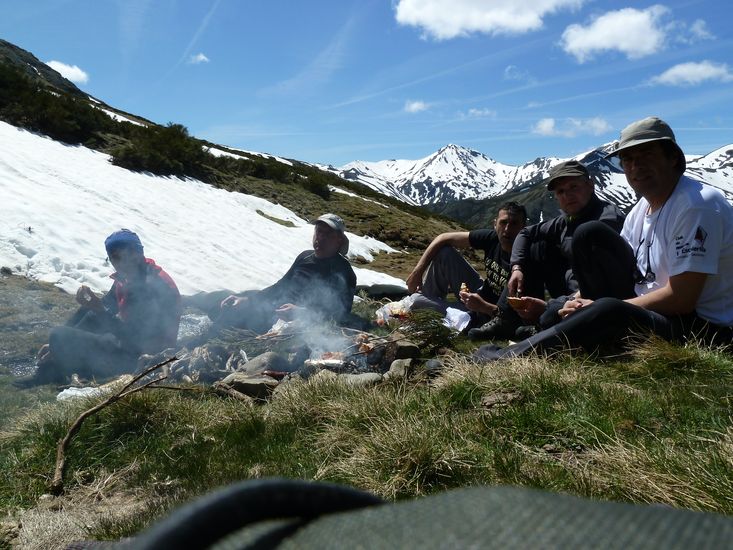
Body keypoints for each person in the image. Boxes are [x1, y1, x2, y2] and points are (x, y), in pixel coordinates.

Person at [475, 116, 733, 361]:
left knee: (609, 309)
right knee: (587, 240)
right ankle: (555, 329)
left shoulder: (696, 205)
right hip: (652, 309)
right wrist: (574, 301)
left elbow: (682, 299)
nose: (636, 166)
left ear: (673, 158)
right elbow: (620, 270)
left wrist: (602, 306)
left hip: (700, 328)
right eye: (628, 159)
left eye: (646, 155)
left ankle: (502, 359)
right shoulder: (642, 210)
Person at [467, 160, 626, 340]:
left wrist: (555, 304)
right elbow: (526, 233)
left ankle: (546, 322)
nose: (567, 195)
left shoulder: (606, 221)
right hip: (568, 291)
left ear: (590, 185)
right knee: (537, 245)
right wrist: (517, 268)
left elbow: (602, 279)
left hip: (591, 297)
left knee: (548, 316)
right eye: (561, 191)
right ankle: (507, 319)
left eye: (574, 187)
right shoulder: (566, 220)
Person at [18, 229, 181, 387]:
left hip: (142, 359)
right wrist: (93, 306)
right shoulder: (129, 276)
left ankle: (55, 369)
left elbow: (136, 339)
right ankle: (56, 354)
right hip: (129, 345)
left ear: (138, 253)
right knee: (86, 313)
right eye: (114, 258)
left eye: (126, 255)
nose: (120, 263)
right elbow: (108, 303)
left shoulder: (152, 286)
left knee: (59, 334)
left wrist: (100, 311)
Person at [208, 214, 357, 333]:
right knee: (225, 308)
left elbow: (340, 314)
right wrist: (247, 300)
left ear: (339, 240)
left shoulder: (344, 272)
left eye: (328, 234)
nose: (321, 237)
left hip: (301, 328)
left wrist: (301, 312)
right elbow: (280, 286)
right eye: (319, 231)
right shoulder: (304, 257)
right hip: (275, 311)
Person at [406, 202, 526, 328]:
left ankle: (430, 307)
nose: (507, 229)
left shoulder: (526, 257)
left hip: (488, 314)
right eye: (503, 222)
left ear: (523, 228)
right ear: (495, 224)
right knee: (444, 253)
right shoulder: (492, 238)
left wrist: (482, 306)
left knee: (415, 301)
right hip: (479, 294)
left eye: (514, 224)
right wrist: (417, 273)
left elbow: (512, 317)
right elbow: (443, 238)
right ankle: (430, 300)